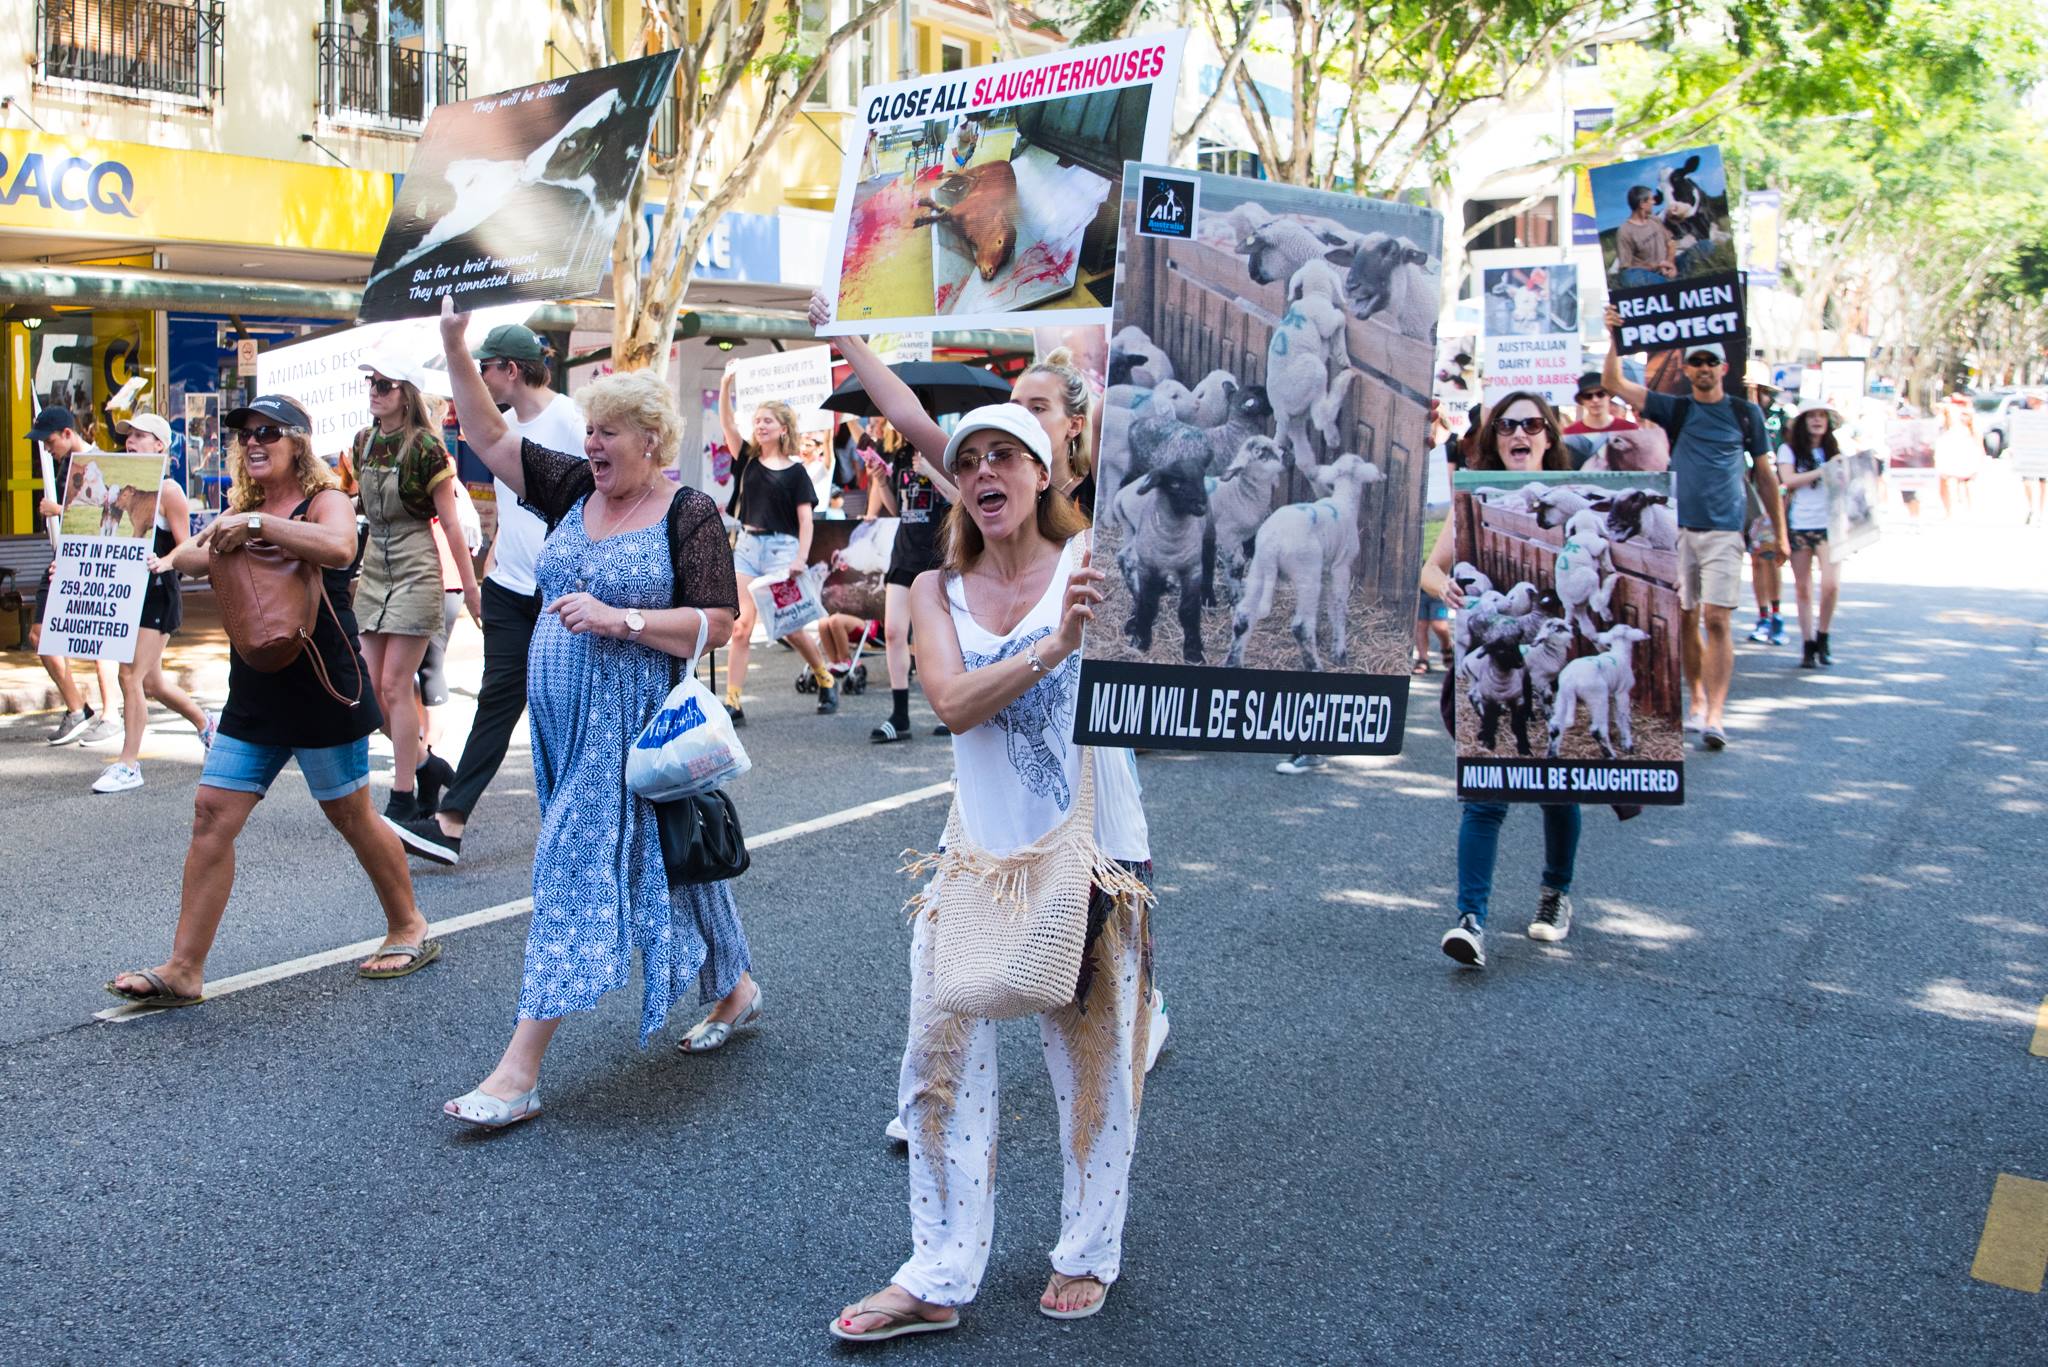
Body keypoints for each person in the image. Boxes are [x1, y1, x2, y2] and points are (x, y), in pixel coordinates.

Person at [831, 405, 1156, 1342]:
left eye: (1005, 454)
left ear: (1045, 471)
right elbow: (950, 702)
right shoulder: (938, 587)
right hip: (976, 851)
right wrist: (1053, 648)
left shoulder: (1096, 560)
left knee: (1093, 1065)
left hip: (1097, 845)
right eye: (967, 458)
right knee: (938, 1058)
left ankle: (1088, 1250)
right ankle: (936, 1271)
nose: (984, 471)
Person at [435, 302, 755, 1128]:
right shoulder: (574, 487)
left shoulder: (690, 514)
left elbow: (719, 621)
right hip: (562, 724)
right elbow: (490, 440)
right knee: (658, 855)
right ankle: (736, 983)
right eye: (591, 431)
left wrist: (625, 621)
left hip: (632, 724)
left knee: (570, 863)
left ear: (651, 440)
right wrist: (453, 345)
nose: (594, 445)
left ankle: (519, 1070)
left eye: (611, 432)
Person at [104, 395, 438, 1008]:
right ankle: (184, 968)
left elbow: (340, 548)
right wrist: (190, 545)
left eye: (267, 433)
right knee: (211, 813)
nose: (253, 443)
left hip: (321, 683)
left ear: (297, 443)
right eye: (244, 435)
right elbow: (196, 556)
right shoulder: (242, 507)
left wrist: (255, 527)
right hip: (256, 685)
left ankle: (409, 925)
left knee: (350, 815)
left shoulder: (324, 501)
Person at [393, 325, 583, 866]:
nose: (480, 377)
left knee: (562, 710)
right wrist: (488, 569)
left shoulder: (569, 421)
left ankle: (577, 822)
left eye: (486, 368)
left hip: (561, 594)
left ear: (511, 370)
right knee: (498, 703)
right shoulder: (504, 427)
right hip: (508, 589)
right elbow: (508, 509)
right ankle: (450, 823)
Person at [1418, 392, 1582, 968]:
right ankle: (1470, 920)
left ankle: (1555, 892)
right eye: (1507, 425)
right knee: (1483, 797)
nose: (1520, 433)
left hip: (1553, 666)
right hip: (1489, 662)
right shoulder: (1474, 499)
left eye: (1531, 424)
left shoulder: (1576, 501)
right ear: (1493, 439)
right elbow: (1431, 567)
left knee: (1557, 789)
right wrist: (1445, 587)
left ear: (1548, 437)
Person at [1601, 321, 1786, 751]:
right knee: (1685, 618)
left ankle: (1716, 715)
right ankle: (1698, 696)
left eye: (1711, 361)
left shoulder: (1746, 413)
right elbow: (1613, 382)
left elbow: (1765, 473)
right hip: (1679, 530)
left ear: (1723, 369)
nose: (1704, 368)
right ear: (1686, 368)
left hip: (1724, 532)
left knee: (1717, 620)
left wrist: (1780, 532)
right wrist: (1615, 336)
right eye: (1696, 361)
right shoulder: (1676, 409)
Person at [349, 352, 481, 828]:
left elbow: (450, 525)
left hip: (417, 570)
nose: (375, 391)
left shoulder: (427, 448)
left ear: (406, 393)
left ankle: (402, 796)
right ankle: (427, 767)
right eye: (372, 384)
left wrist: (470, 589)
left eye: (385, 384)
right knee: (366, 686)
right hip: (375, 571)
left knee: (394, 685)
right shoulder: (363, 442)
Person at [91, 414, 216, 795]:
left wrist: (166, 561)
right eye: (129, 436)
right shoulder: (126, 489)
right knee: (154, 682)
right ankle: (207, 726)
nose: (131, 442)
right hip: (127, 595)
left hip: (157, 596)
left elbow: (190, 545)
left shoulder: (170, 491)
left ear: (160, 446)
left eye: (141, 436)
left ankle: (129, 764)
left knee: (128, 676)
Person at [717, 368, 839, 720]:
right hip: (747, 547)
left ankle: (825, 676)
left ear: (783, 428)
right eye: (757, 420)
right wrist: (726, 385)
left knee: (791, 627)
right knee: (740, 626)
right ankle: (734, 701)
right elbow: (728, 424)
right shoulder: (747, 461)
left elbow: (805, 521)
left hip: (782, 552)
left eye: (768, 420)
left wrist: (800, 558)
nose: (761, 425)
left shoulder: (798, 472)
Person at [26, 405, 123, 748]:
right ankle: (77, 708)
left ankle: (112, 713)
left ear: (68, 434)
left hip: (89, 561)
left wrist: (59, 510)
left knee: (97, 634)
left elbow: (111, 508)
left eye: (50, 440)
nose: (47, 449)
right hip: (63, 558)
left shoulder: (99, 463)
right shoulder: (63, 466)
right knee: (40, 636)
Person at [860, 417, 960, 742]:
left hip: (936, 556)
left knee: (935, 639)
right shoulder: (899, 456)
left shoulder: (945, 452)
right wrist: (880, 482)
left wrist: (931, 471)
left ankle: (948, 708)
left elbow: (961, 500)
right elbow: (896, 508)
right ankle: (899, 715)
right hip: (903, 553)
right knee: (892, 632)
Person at [1777, 404, 1846, 668]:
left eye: (1822, 416)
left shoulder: (1834, 451)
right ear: (1804, 421)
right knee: (1803, 587)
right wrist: (1824, 471)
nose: (1817, 421)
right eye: (1812, 416)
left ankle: (1824, 635)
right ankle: (1807, 643)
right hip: (1799, 523)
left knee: (1831, 585)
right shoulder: (1789, 449)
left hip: (1829, 524)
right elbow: (1788, 479)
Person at [1615, 186, 1677, 287]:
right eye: (1651, 199)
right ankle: (1668, 282)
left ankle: (1669, 280)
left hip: (1668, 264)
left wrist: (1670, 264)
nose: (1653, 202)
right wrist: (1656, 266)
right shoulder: (1624, 231)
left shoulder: (1655, 220)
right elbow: (1626, 267)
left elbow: (1671, 243)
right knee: (1629, 278)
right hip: (1647, 273)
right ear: (1642, 204)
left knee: (1705, 245)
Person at [1934, 398, 1979, 519]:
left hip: (1960, 457)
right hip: (1947, 456)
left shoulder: (1965, 426)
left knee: (1964, 483)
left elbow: (1977, 442)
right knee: (1947, 483)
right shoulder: (1944, 424)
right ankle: (1950, 511)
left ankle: (1965, 510)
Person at [1562, 374, 1638, 435]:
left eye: (1600, 394)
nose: (1595, 400)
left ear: (1609, 396)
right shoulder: (1569, 433)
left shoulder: (1630, 429)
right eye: (1588, 396)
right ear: (1582, 401)